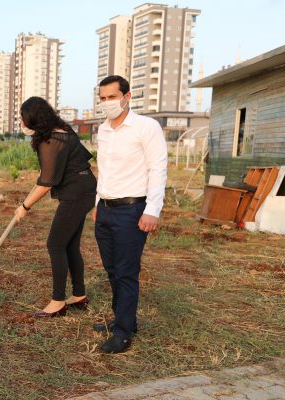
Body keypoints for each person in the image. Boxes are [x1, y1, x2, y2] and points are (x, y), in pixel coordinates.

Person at [93, 75, 168, 353]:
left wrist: (152, 210)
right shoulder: (103, 130)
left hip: (132, 209)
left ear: (127, 97)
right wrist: (97, 203)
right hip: (106, 209)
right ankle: (123, 319)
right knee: (112, 269)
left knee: (126, 272)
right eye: (102, 98)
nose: (106, 103)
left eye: (112, 97)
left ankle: (123, 333)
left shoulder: (146, 127)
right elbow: (105, 170)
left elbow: (157, 169)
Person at [13, 97, 97, 318]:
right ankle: (79, 295)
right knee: (69, 245)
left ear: (33, 119)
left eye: (23, 120)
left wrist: (25, 206)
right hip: (85, 189)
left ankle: (58, 301)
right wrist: (26, 199)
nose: (22, 125)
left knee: (55, 244)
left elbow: (47, 181)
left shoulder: (50, 141)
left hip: (76, 193)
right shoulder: (61, 131)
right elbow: (44, 176)